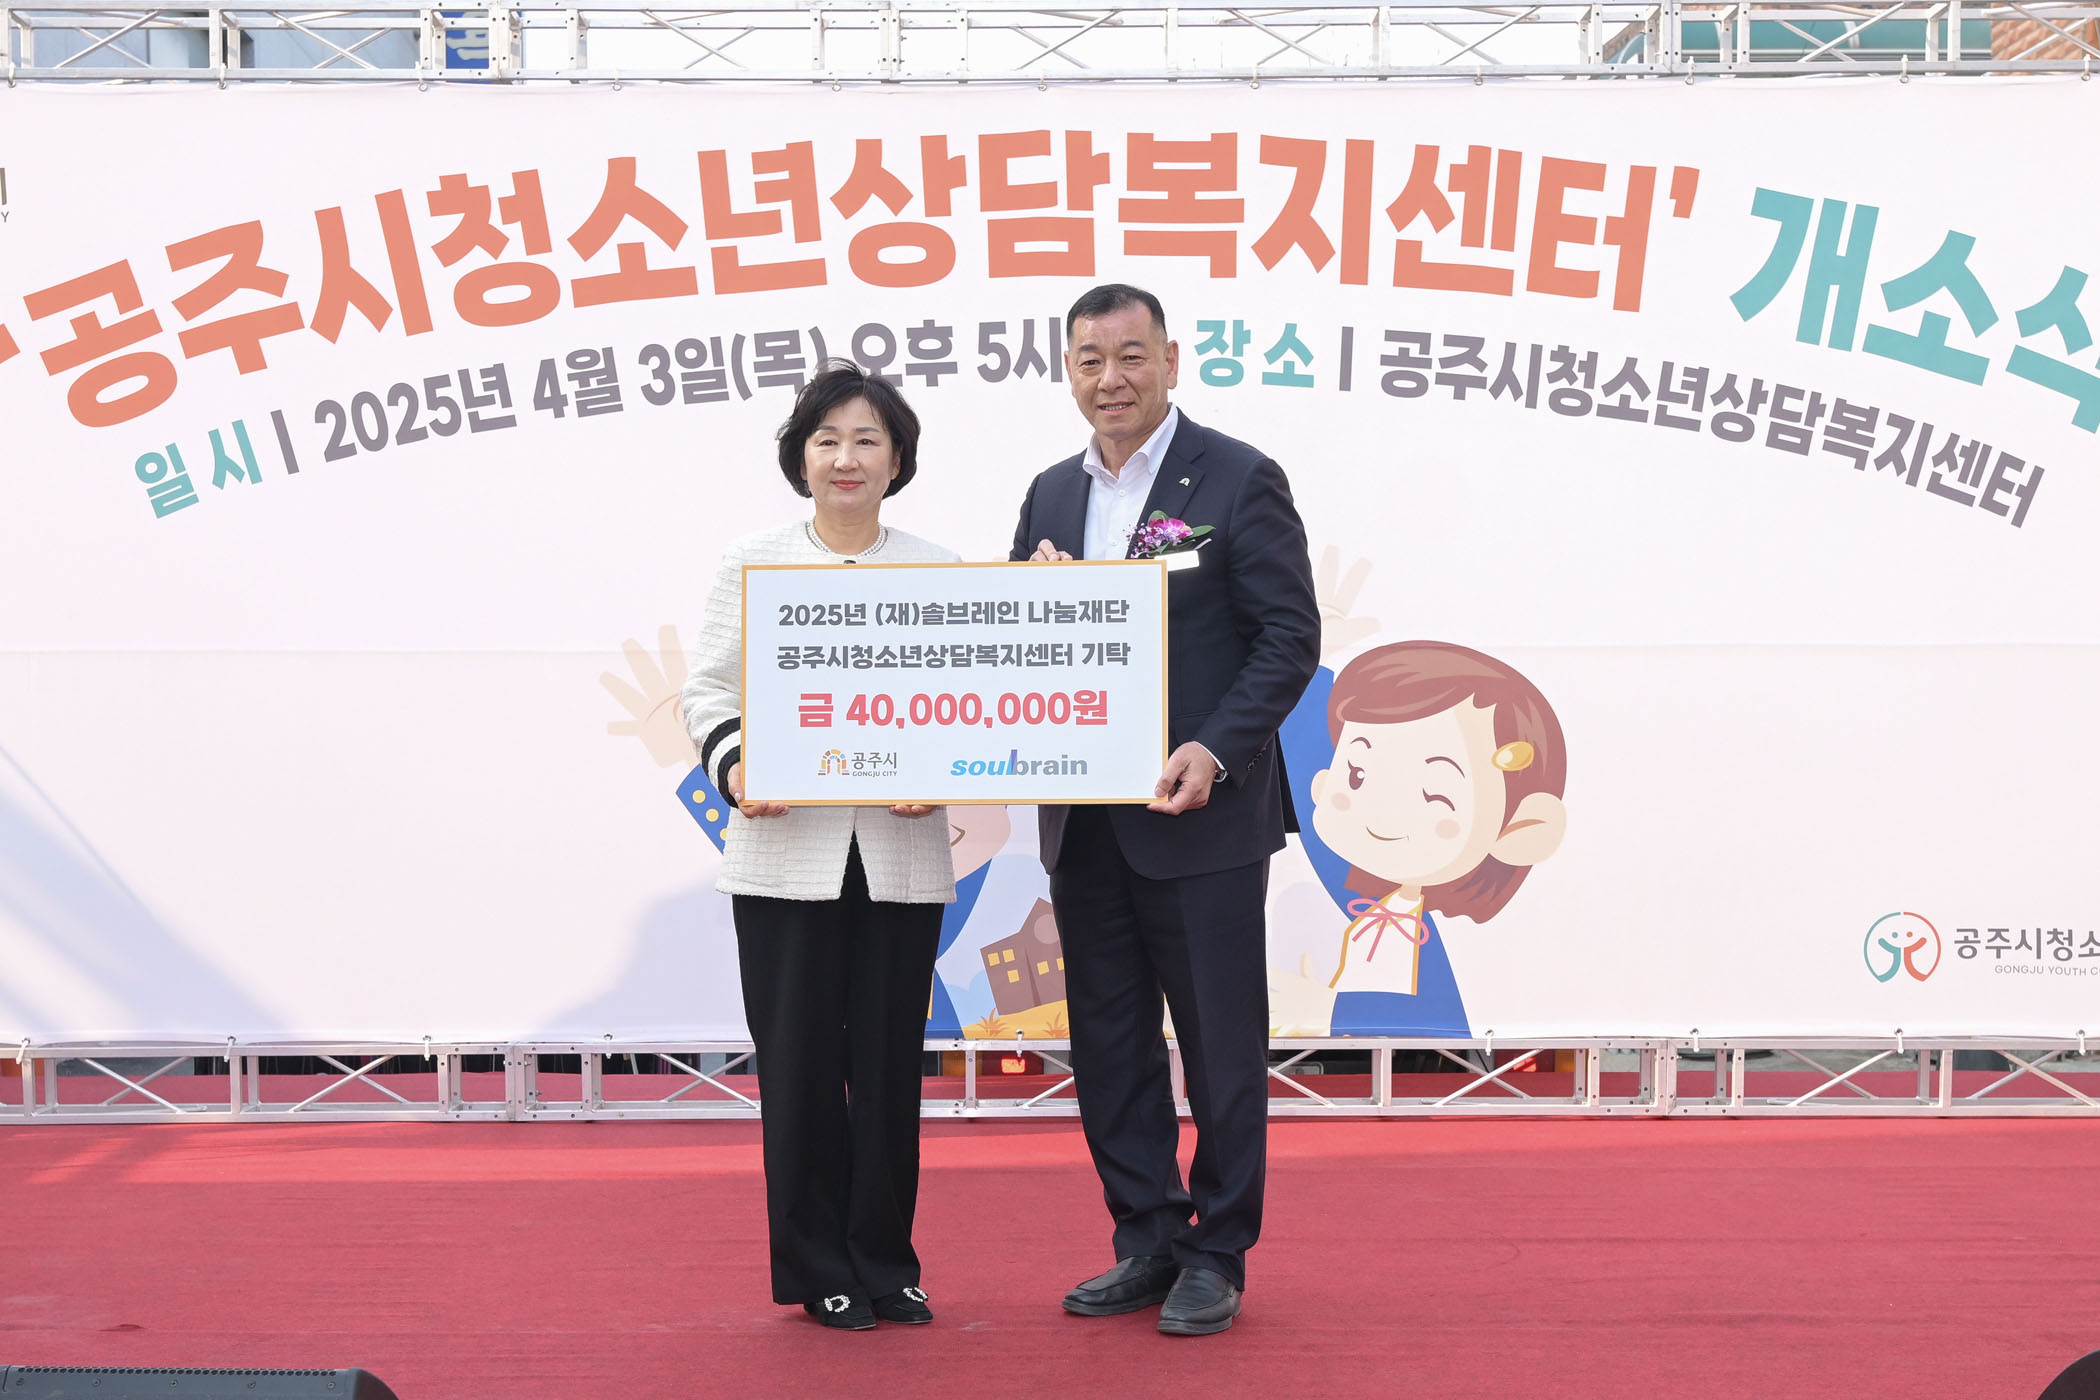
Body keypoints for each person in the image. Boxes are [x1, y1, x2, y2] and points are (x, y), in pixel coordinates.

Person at [1009, 284, 1320, 1336]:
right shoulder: (1051, 494)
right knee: (1109, 1043)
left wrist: (1216, 749)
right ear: (1069, 372)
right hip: (1085, 818)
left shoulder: (1236, 476)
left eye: (1131, 355)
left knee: (1220, 1043)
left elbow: (1288, 636)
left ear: (1173, 361)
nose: (1112, 379)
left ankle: (1217, 1251)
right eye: (1090, 360)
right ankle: (1145, 1235)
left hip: (1201, 815)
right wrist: (1032, 601)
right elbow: (1022, 647)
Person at [681, 361, 958, 1331]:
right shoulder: (753, 560)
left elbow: (963, 704)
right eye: (827, 438)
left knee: (887, 1069)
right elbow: (709, 689)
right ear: (800, 456)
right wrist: (739, 764)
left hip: (900, 853)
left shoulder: (938, 570)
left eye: (868, 440)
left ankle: (886, 1262)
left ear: (898, 460)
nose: (847, 457)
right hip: (783, 853)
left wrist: (941, 768)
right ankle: (816, 1266)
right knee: (798, 1069)